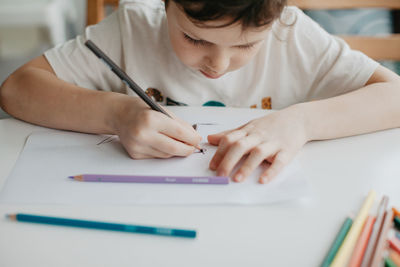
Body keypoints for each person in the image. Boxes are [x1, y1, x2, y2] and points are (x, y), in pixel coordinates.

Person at [1, 0, 399, 184]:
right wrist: (116, 113)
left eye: (245, 45)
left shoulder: (293, 34)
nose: (218, 66)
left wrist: (301, 121)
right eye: (194, 38)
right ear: (167, 5)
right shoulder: (132, 28)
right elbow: (17, 88)